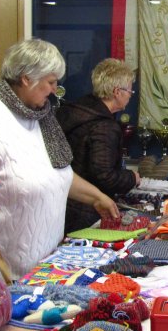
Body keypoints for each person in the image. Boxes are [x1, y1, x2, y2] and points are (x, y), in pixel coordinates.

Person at [0, 39, 119, 279]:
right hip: (1, 276)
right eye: (50, 82)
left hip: (45, 271)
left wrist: (97, 197)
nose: (54, 90)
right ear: (27, 78)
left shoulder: (39, 117)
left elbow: (57, 173)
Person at [57, 58, 141, 233]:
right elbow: (105, 176)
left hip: (60, 204)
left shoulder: (75, 110)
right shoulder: (104, 126)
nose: (131, 94)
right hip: (84, 212)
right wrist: (132, 178)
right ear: (117, 92)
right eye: (129, 90)